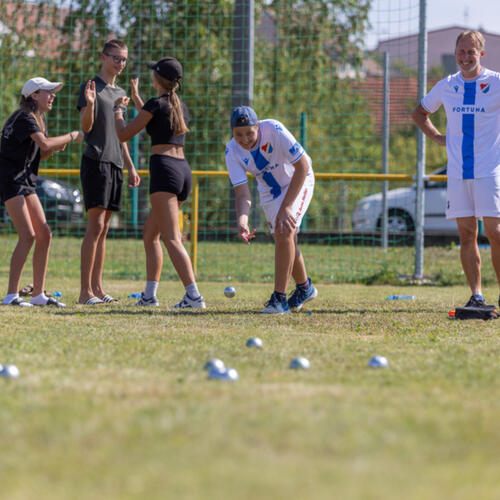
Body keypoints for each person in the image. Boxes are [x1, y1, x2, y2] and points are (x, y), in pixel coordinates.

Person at [412, 30, 500, 309]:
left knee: (496, 233)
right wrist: (438, 137)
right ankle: (477, 295)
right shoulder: (446, 85)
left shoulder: (496, 82)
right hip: (459, 173)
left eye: (470, 52)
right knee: (466, 234)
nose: (464, 57)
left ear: (481, 54)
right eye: (460, 52)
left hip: (489, 172)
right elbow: (419, 113)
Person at [113, 57, 205, 309]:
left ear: (157, 79)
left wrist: (117, 110)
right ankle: (149, 295)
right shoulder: (177, 105)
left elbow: (124, 133)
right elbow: (154, 121)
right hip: (182, 172)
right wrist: (136, 96)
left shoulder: (157, 104)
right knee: (150, 235)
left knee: (171, 238)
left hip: (165, 172)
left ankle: (194, 296)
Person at [225, 106, 317, 314]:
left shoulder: (274, 129)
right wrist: (242, 221)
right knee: (283, 237)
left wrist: (286, 207)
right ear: (232, 133)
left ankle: (279, 300)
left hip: (299, 179)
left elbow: (302, 166)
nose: (245, 139)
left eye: (249, 132)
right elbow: (242, 194)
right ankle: (305, 288)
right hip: (270, 191)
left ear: (258, 127)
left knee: (285, 231)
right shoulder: (232, 151)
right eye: (239, 134)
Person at [0, 77, 83, 307]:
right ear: (33, 95)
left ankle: (37, 295)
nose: (53, 95)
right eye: (48, 92)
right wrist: (71, 136)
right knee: (28, 236)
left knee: (44, 234)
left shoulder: (39, 118)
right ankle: (11, 295)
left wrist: (54, 146)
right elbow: (44, 145)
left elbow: (41, 153)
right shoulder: (24, 117)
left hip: (25, 180)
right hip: (11, 181)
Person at [77, 39, 140, 305]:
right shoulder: (90, 87)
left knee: (104, 229)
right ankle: (84, 293)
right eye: (116, 57)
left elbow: (121, 134)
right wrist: (90, 104)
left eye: (124, 59)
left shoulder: (121, 92)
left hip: (115, 164)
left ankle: (98, 289)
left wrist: (131, 165)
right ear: (103, 57)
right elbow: (86, 128)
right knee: (96, 226)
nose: (120, 63)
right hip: (96, 160)